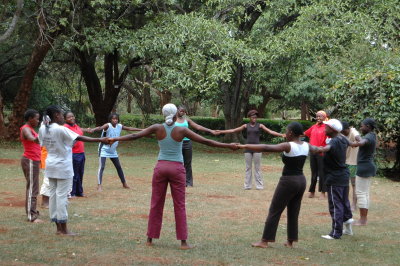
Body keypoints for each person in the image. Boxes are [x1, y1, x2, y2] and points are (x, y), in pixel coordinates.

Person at [107, 103, 237, 250]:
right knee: (179, 205)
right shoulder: (182, 130)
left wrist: (115, 139)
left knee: (156, 203)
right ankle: (183, 242)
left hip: (161, 167)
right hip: (177, 169)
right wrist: (228, 146)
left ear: (164, 114)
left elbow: (135, 135)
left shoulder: (157, 127)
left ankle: (150, 239)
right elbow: (206, 141)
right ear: (176, 115)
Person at [236, 122, 310, 248]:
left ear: (291, 133)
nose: (285, 134)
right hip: (301, 181)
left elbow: (266, 147)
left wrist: (243, 145)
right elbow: (320, 149)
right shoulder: (306, 145)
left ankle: (265, 240)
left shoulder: (288, 145)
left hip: (288, 181)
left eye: (286, 131)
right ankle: (290, 241)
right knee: (294, 211)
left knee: (275, 210)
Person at [39, 105, 107, 235]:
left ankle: (58, 228)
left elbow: (43, 143)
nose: (63, 117)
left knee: (53, 196)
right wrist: (100, 139)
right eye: (61, 114)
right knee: (62, 197)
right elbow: (79, 138)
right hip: (63, 167)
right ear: (56, 115)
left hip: (50, 165)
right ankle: (64, 229)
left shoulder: (43, 128)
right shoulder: (60, 129)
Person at [216, 110, 284, 190]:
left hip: (257, 148)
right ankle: (247, 186)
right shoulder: (245, 126)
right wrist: (220, 131)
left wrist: (281, 135)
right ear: (249, 118)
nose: (254, 118)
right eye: (252, 117)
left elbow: (270, 131)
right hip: (248, 148)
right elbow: (233, 130)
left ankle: (259, 186)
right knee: (248, 168)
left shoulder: (260, 125)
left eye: (255, 117)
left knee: (257, 168)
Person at [315, 119, 354, 240]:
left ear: (332, 129)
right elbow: (351, 143)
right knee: (344, 202)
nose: (324, 129)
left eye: (326, 127)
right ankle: (348, 228)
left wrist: (316, 148)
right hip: (343, 175)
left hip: (335, 177)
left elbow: (326, 149)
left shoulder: (335, 141)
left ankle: (335, 233)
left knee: (335, 205)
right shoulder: (342, 138)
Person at [90, 113, 142, 191]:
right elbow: (100, 128)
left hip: (113, 150)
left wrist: (142, 130)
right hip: (104, 149)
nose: (115, 120)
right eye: (113, 119)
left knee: (118, 167)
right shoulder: (108, 125)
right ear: (110, 120)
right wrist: (93, 129)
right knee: (102, 167)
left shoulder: (119, 126)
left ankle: (124, 184)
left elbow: (130, 129)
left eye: (116, 119)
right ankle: (99, 185)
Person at [176, 105, 217, 187]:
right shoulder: (173, 120)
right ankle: (179, 181)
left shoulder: (186, 119)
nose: (183, 112)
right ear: (177, 110)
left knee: (187, 163)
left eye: (184, 111)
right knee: (178, 163)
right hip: (177, 143)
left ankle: (189, 182)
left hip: (187, 143)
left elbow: (197, 126)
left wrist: (210, 130)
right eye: (181, 111)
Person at [20, 109, 44, 223]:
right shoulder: (25, 129)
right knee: (32, 188)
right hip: (29, 160)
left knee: (34, 187)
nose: (38, 121)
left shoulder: (31, 129)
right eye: (37, 118)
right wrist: (42, 134)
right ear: (30, 119)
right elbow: (32, 139)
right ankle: (31, 215)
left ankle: (33, 211)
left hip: (34, 161)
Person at [353, 118, 377, 226]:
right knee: (365, 193)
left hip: (364, 167)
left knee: (361, 193)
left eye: (362, 126)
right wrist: (357, 136)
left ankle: (362, 220)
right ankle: (364, 219)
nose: (361, 127)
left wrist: (352, 143)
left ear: (368, 126)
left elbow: (362, 142)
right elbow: (362, 140)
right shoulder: (372, 135)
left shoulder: (368, 137)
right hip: (368, 166)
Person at [64, 111, 91, 197]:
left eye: (72, 116)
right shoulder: (65, 128)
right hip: (73, 154)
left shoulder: (75, 126)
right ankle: (72, 192)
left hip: (81, 153)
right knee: (74, 174)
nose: (71, 118)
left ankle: (79, 191)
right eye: (69, 117)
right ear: (65, 119)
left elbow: (80, 130)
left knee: (80, 173)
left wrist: (87, 129)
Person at [304, 110, 329, 199]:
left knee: (322, 173)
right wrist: (294, 134)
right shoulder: (313, 127)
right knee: (314, 172)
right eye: (317, 116)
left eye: (320, 116)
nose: (318, 118)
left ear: (325, 117)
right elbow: (305, 133)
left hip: (322, 153)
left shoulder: (327, 127)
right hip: (313, 153)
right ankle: (312, 191)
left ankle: (323, 192)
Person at [341, 121, 361, 211]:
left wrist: (354, 144)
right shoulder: (341, 134)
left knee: (354, 185)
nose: (342, 134)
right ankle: (345, 202)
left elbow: (359, 139)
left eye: (343, 132)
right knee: (344, 183)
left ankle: (353, 204)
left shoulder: (354, 132)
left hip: (353, 162)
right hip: (344, 162)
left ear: (347, 129)